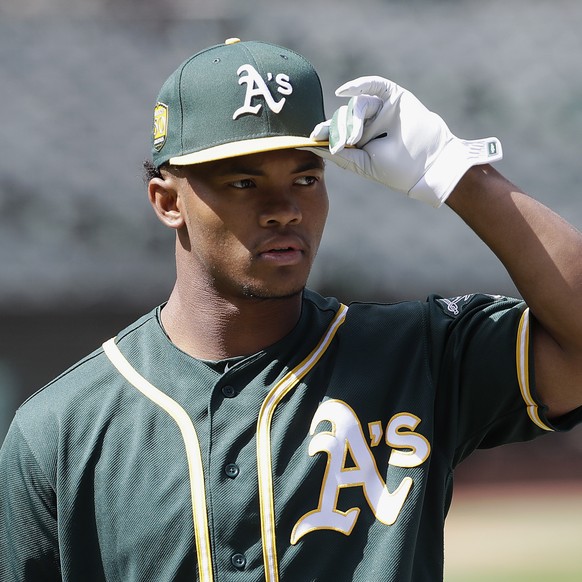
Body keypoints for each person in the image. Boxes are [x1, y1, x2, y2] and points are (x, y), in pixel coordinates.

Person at [1, 37, 581, 582]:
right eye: (243, 182)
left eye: (306, 176)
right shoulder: (59, 431)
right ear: (167, 200)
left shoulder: (417, 355)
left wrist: (459, 173)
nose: (285, 208)